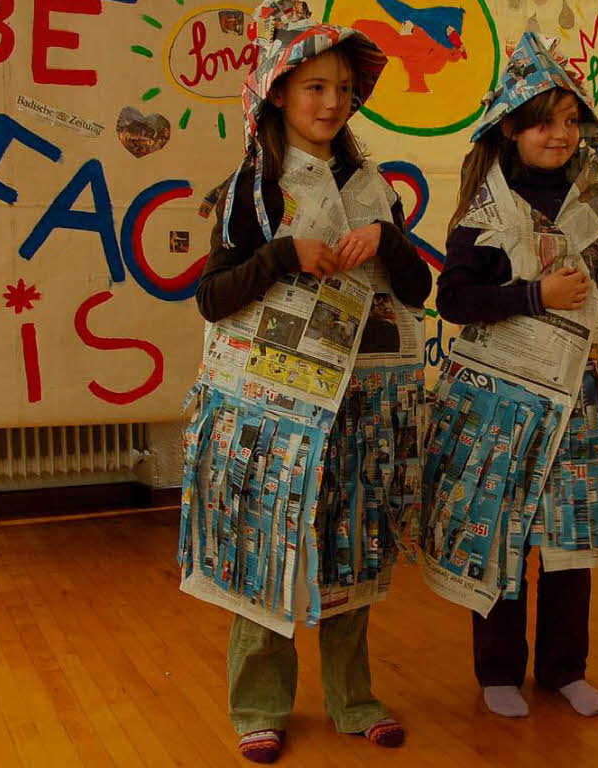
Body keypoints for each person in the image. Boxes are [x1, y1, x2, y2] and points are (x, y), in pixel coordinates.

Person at [192, 2, 431, 762]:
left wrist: (388, 241)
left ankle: (353, 699)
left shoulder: (372, 186)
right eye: (313, 89)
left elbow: (417, 292)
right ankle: (257, 705)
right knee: (265, 545)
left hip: (361, 402)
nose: (331, 103)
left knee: (353, 550)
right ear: (278, 96)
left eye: (341, 90)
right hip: (275, 410)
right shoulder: (251, 189)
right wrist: (285, 254)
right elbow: (211, 296)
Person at [434, 31, 598, 720]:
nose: (559, 134)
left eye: (569, 120)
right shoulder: (483, 212)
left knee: (570, 539)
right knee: (501, 533)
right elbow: (453, 301)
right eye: (543, 120)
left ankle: (564, 667)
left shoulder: (595, 206)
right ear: (511, 126)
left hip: (580, 400)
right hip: (501, 402)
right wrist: (533, 296)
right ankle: (498, 669)